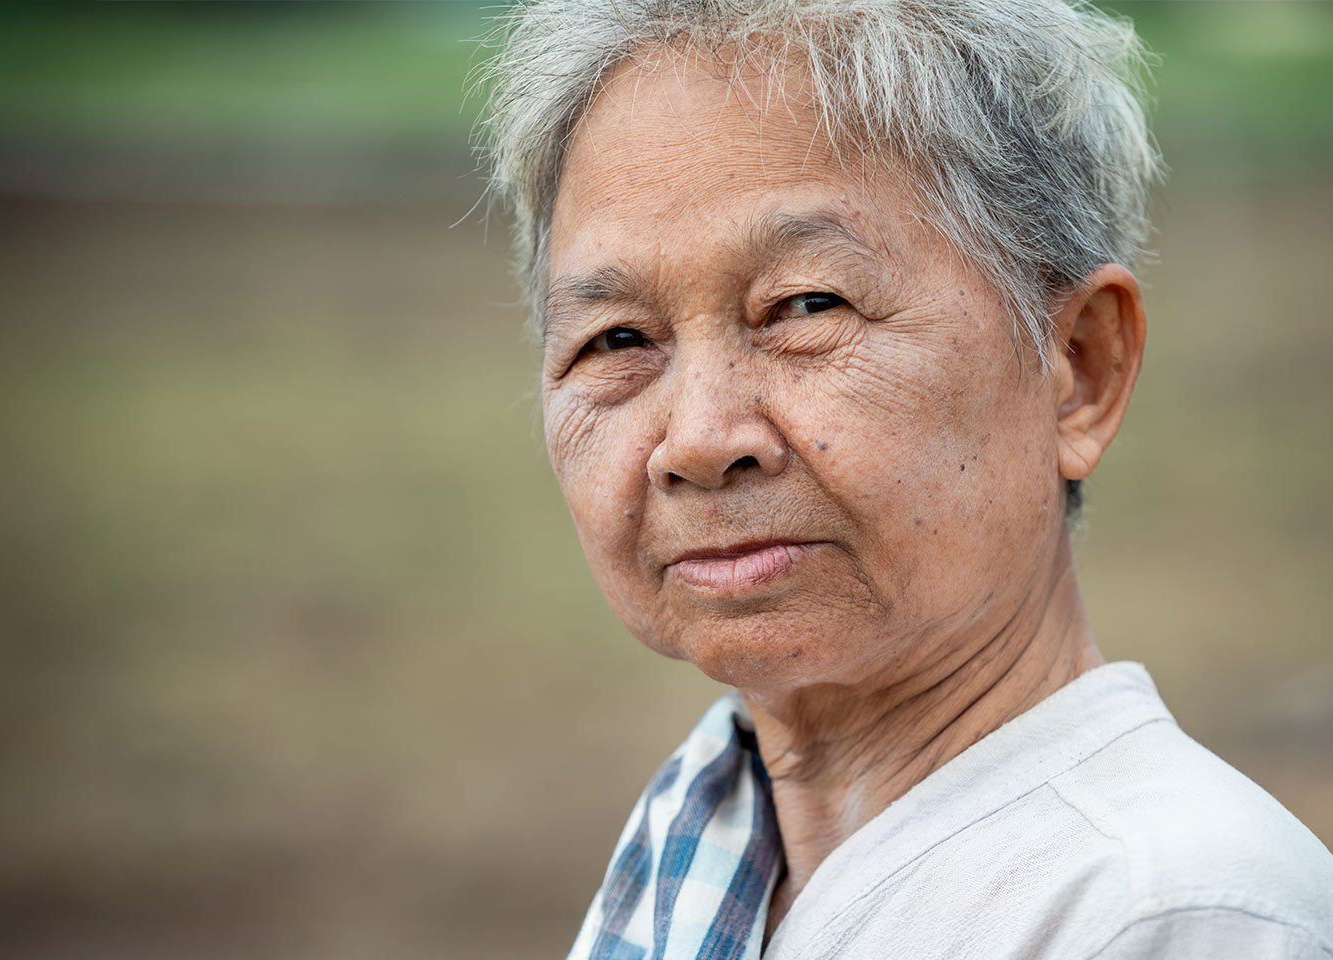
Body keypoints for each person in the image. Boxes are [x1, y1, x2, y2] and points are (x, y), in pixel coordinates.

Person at [476, 1, 1333, 957]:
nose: (701, 439)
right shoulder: (700, 844)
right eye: (619, 339)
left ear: (1077, 368)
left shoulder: (1166, 914)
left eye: (806, 304)